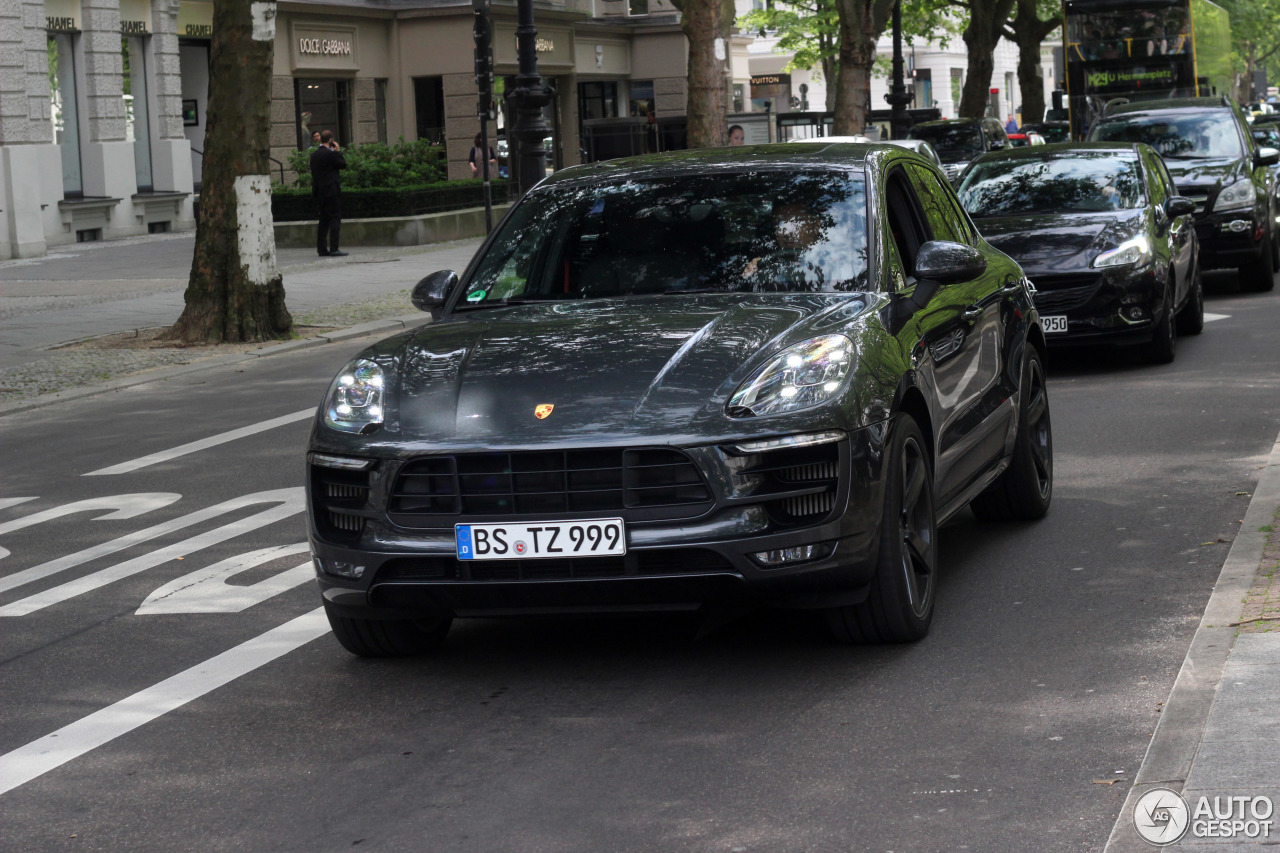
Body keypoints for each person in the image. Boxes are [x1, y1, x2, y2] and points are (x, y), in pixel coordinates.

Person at [310, 129, 347, 257]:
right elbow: (343, 164)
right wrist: (338, 151)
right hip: (332, 191)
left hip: (319, 192)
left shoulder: (314, 155)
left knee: (323, 220)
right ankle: (334, 248)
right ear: (331, 140)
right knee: (335, 218)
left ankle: (321, 249)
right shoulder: (331, 154)